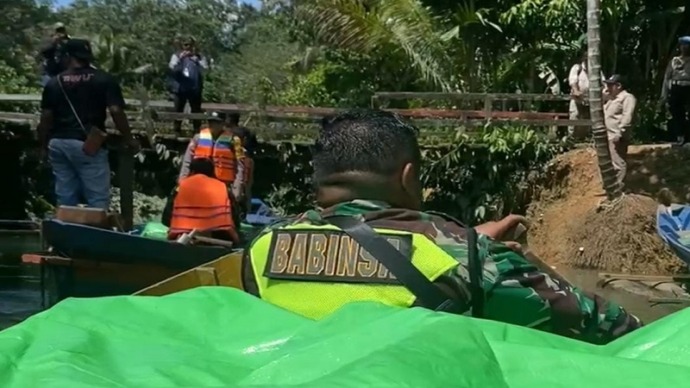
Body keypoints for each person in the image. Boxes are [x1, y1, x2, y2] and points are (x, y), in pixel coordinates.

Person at [241, 109, 642, 345]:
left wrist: (470, 243)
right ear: (408, 175)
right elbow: (605, 323)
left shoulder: (262, 247)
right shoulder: (462, 256)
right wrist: (490, 255)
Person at [37, 39, 137, 210]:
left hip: (59, 143)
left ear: (67, 56)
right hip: (89, 143)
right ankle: (94, 233)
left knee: (65, 196)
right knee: (97, 198)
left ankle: (67, 231)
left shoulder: (54, 82)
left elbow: (46, 118)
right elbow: (116, 111)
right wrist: (129, 138)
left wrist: (42, 146)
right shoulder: (104, 79)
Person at [165, 158, 241, 244]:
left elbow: (166, 218)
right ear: (212, 173)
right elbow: (235, 218)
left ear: (192, 172)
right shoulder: (223, 188)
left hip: (182, 236)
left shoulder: (179, 188)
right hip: (220, 236)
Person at [178, 112, 244, 197]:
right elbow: (187, 161)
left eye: (216, 122)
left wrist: (237, 189)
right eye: (210, 122)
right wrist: (182, 182)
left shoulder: (234, 140)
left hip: (223, 185)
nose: (212, 125)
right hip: (200, 183)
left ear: (223, 124)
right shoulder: (197, 138)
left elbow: (240, 166)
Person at [168, 37, 208, 133]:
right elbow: (171, 67)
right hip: (180, 89)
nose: (188, 47)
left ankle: (196, 132)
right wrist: (181, 59)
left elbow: (206, 69)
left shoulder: (199, 57)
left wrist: (196, 61)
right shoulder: (176, 56)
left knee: (196, 111)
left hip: (194, 89)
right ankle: (176, 131)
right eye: (185, 45)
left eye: (190, 45)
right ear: (182, 46)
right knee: (178, 111)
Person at [603, 75, 636, 189]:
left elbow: (627, 116)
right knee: (610, 162)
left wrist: (620, 132)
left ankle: (618, 187)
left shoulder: (627, 98)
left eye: (610, 85)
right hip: (608, 135)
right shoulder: (612, 99)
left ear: (618, 86)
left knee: (618, 163)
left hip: (616, 135)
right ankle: (612, 186)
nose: (607, 87)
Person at [567, 50, 605, 138]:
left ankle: (586, 139)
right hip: (578, 99)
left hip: (592, 100)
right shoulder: (577, 68)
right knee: (574, 117)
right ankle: (571, 138)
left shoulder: (597, 70)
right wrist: (576, 91)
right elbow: (573, 81)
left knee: (591, 120)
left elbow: (603, 83)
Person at [225, 113, 257, 215]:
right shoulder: (245, 131)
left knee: (235, 187)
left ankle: (235, 212)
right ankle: (247, 212)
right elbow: (254, 144)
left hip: (235, 160)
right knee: (247, 188)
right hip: (248, 159)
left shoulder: (228, 133)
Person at [661, 36, 690, 145]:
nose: (684, 48)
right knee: (677, 113)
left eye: (687, 46)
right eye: (683, 45)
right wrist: (664, 94)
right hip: (676, 88)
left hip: (688, 87)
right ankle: (680, 137)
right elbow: (667, 78)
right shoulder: (674, 61)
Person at [38, 23, 70, 87]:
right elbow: (43, 51)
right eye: (58, 31)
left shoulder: (67, 41)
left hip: (63, 72)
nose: (60, 33)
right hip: (49, 72)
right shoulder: (47, 40)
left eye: (61, 31)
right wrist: (54, 42)